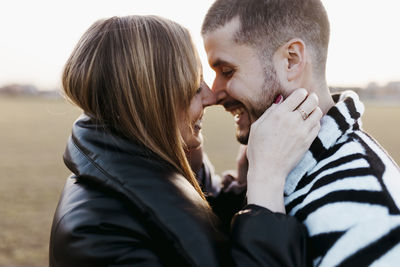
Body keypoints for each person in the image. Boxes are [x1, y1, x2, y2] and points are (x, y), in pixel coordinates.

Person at [49, 15, 322, 266]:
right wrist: (267, 182)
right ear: (152, 103)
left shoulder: (157, 162)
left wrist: (244, 183)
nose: (211, 96)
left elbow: (201, 219)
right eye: (193, 87)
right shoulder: (100, 237)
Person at [202, 0, 400, 266]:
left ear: (291, 60)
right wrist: (248, 188)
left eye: (227, 71)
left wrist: (264, 178)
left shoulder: (369, 215)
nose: (214, 93)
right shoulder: (280, 168)